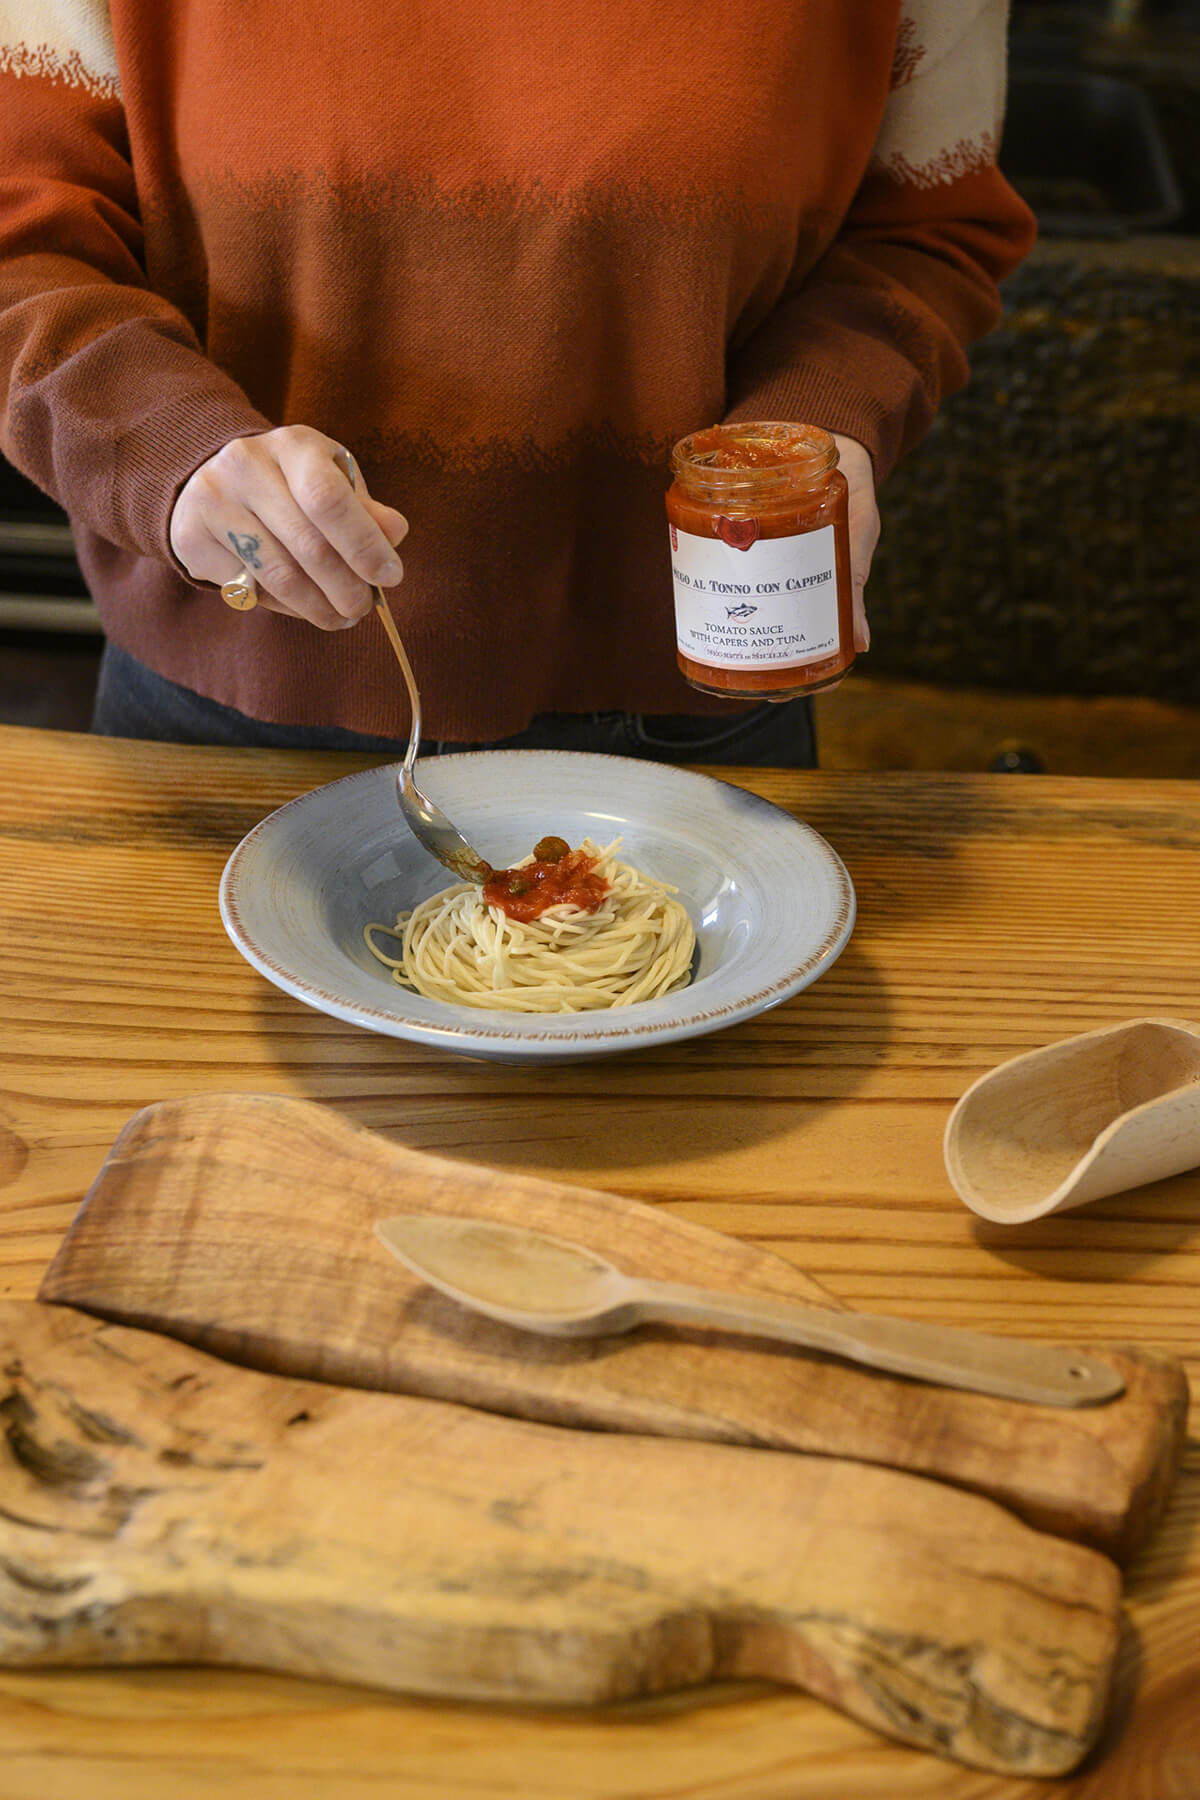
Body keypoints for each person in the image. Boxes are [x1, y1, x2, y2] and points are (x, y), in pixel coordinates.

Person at [0, 2, 1034, 767]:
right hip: (222, 718)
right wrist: (165, 447)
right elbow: (21, 243)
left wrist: (817, 425)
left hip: (699, 707)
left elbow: (926, 228)